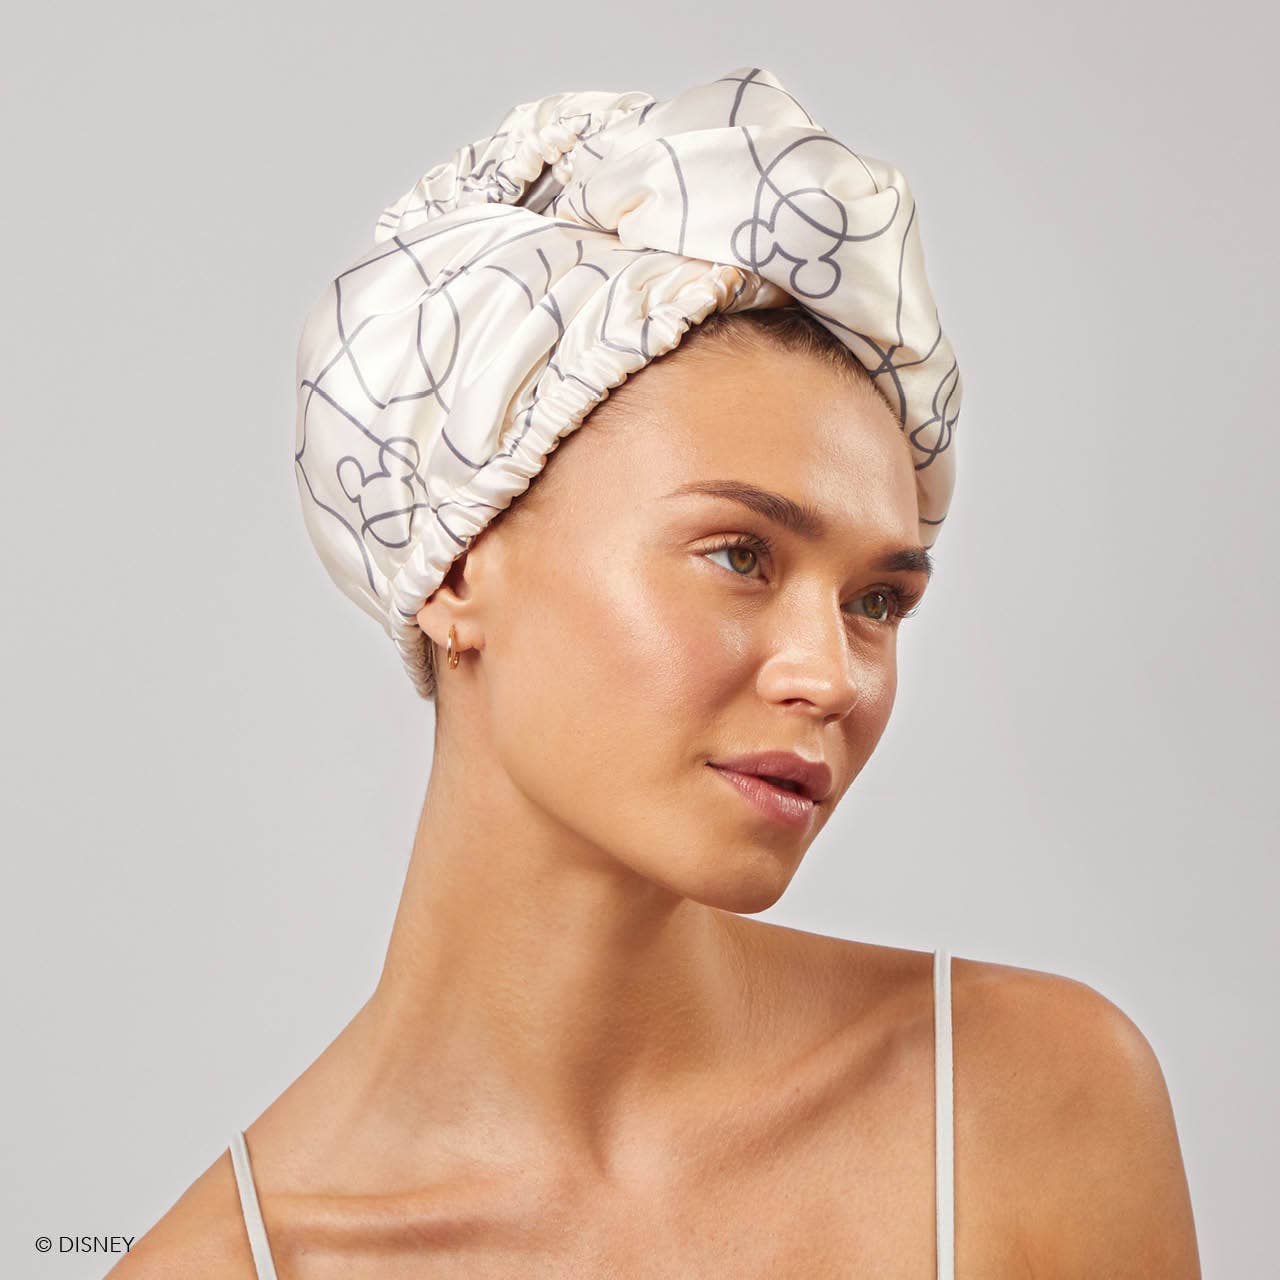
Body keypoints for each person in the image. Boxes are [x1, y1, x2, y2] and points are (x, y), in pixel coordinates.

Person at [113, 67, 1200, 1278]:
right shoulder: (232, 1262)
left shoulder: (1025, 1101)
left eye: (875, 601)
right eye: (739, 555)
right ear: (458, 569)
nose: (831, 676)